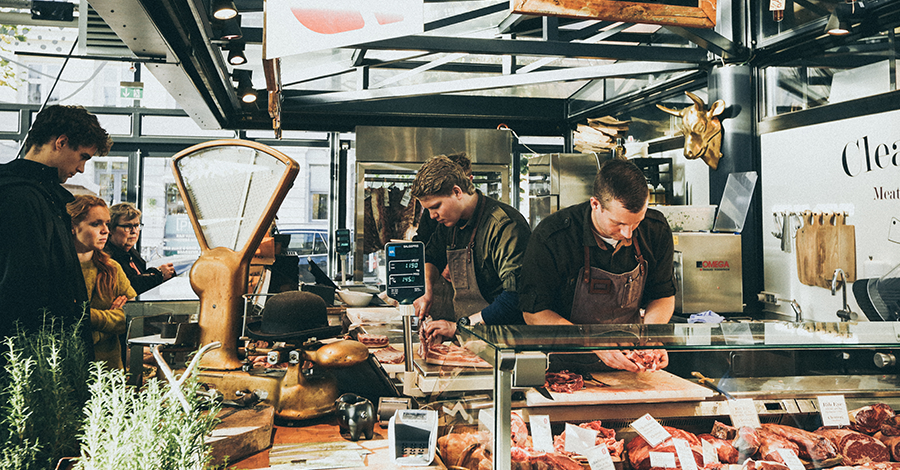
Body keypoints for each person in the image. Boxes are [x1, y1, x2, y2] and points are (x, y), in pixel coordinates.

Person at [518, 158, 676, 372]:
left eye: (636, 222)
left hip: (632, 367)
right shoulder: (553, 236)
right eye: (618, 223)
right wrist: (590, 340)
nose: (628, 233)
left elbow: (662, 295)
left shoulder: (655, 229)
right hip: (566, 367)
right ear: (595, 204)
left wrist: (649, 337)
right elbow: (534, 313)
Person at [0, 105, 112, 356]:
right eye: (83, 156)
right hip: (33, 357)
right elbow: (21, 290)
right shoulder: (21, 197)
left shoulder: (41, 195)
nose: (82, 168)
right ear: (61, 142)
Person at [411, 155, 531, 347]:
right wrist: (427, 288)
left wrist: (460, 327)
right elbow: (432, 255)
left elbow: (515, 297)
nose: (432, 216)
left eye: (435, 207)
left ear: (457, 192)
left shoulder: (504, 226)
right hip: (471, 339)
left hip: (505, 340)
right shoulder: (450, 223)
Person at [69, 195, 136, 369]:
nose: (105, 230)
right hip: (69, 369)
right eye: (95, 223)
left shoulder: (112, 268)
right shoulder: (58, 269)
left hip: (108, 369)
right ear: (73, 227)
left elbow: (131, 317)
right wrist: (109, 321)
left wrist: (87, 316)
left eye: (106, 223)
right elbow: (60, 321)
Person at [106, 202, 175, 295]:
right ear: (110, 229)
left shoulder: (131, 252)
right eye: (127, 226)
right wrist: (159, 275)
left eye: (136, 226)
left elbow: (140, 275)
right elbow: (129, 285)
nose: (134, 231)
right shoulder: (106, 256)